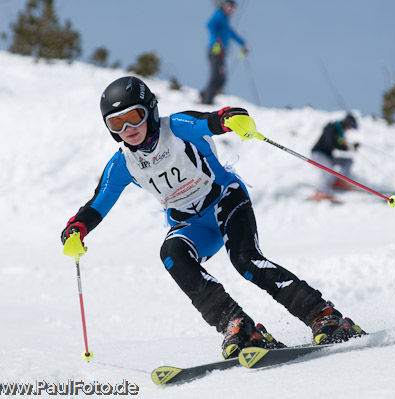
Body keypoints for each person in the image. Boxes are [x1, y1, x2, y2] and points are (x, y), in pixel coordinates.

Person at [61, 76, 365, 359]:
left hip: (225, 201)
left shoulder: (176, 127)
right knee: (172, 254)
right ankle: (238, 326)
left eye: (134, 117)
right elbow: (98, 203)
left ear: (150, 111)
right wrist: (77, 229)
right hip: (191, 225)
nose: (128, 128)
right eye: (117, 123)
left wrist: (232, 119)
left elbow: (211, 120)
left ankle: (323, 316)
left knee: (245, 261)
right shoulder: (123, 164)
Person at [201, 0, 247, 105]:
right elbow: (210, 25)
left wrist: (243, 43)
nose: (232, 11)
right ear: (225, 6)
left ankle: (204, 95)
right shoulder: (219, 15)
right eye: (230, 7)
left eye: (233, 9)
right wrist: (217, 38)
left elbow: (231, 33)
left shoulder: (225, 20)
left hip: (221, 53)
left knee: (221, 79)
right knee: (215, 76)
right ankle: (207, 101)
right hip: (215, 51)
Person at [309, 114, 359, 202]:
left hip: (328, 156)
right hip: (318, 154)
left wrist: (350, 147)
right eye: (350, 128)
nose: (349, 130)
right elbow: (331, 143)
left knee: (348, 161)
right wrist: (347, 147)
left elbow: (339, 144)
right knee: (329, 170)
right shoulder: (331, 127)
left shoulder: (340, 132)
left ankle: (339, 181)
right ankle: (321, 192)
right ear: (347, 124)